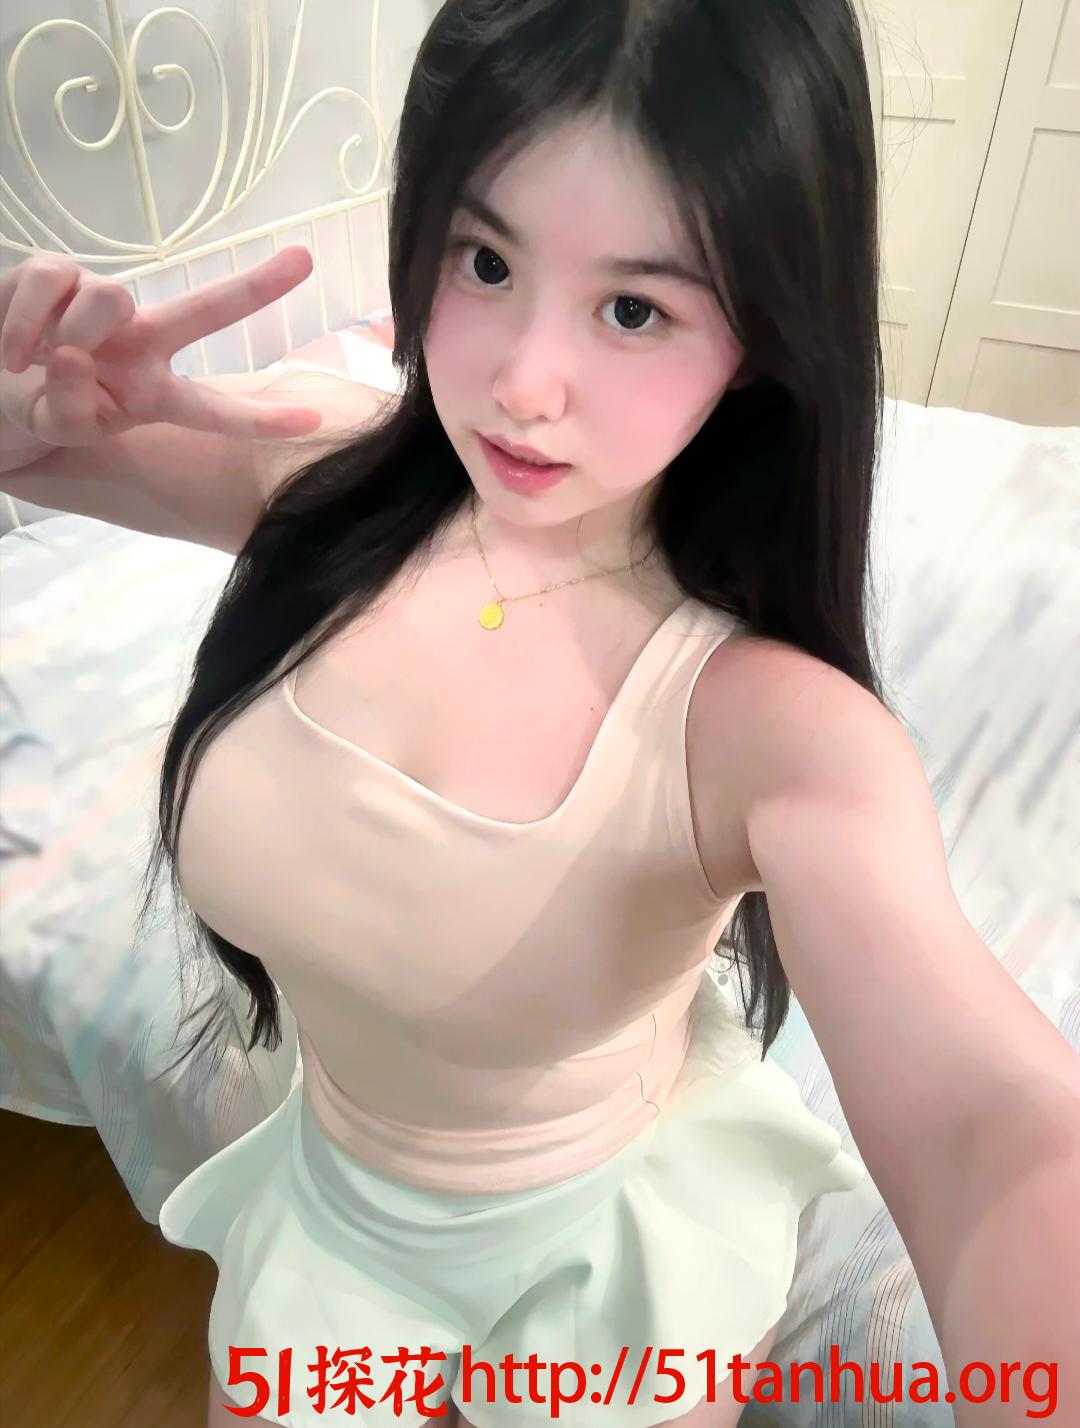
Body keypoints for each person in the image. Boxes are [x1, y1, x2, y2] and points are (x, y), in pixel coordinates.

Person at [1, 2, 1077, 1426]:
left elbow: (992, 1135)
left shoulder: (766, 727)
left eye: (634, 309)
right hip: (328, 1223)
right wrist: (19, 411)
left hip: (609, 1273)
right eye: (487, 259)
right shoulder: (321, 477)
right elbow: (37, 462)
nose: (521, 384)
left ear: (758, 338)